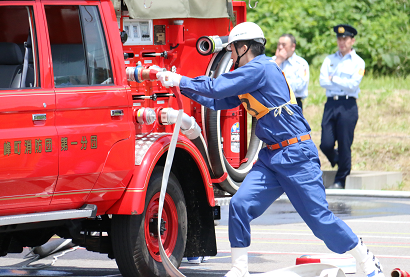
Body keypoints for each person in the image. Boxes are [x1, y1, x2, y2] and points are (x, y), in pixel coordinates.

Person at [157, 22, 384, 277]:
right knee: (240, 205)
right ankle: (239, 269)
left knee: (319, 221)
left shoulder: (259, 68)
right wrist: (180, 85)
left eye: (232, 49)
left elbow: (216, 87)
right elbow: (216, 100)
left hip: (296, 155)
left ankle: (363, 256)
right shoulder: (252, 74)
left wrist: (179, 79)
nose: (230, 55)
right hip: (271, 157)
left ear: (244, 48)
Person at [319, 24, 365, 189]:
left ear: (352, 40)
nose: (342, 42)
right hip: (331, 103)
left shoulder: (358, 62)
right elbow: (322, 81)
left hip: (348, 104)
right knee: (326, 142)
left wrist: (334, 79)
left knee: (345, 142)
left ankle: (341, 179)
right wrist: (336, 81)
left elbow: (353, 85)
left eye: (345, 39)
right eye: (339, 39)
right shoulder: (329, 60)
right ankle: (339, 160)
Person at [273, 34, 309, 111]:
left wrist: (277, 85)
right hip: (274, 104)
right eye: (279, 44)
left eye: (284, 45)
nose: (280, 47)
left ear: (293, 47)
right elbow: (266, 80)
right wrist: (278, 61)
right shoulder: (272, 61)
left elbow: (300, 86)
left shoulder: (301, 63)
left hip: (293, 103)